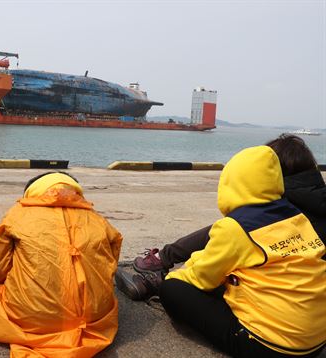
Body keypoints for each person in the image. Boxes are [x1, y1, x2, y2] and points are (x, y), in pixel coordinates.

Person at [133, 146, 325, 357]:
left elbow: (201, 278)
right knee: (231, 273)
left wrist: (172, 276)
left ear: (231, 183)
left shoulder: (236, 226)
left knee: (172, 290)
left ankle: (158, 283)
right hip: (316, 341)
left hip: (275, 347)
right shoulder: (296, 216)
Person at [118, 133, 326, 300]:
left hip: (277, 296)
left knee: (231, 232)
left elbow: (212, 265)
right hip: (313, 296)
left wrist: (177, 279)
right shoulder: (310, 201)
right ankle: (163, 262)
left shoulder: (281, 209)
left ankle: (159, 268)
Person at [0, 172, 123, 357]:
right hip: (94, 317)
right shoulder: (97, 218)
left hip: (33, 319)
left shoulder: (18, 214)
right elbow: (111, 263)